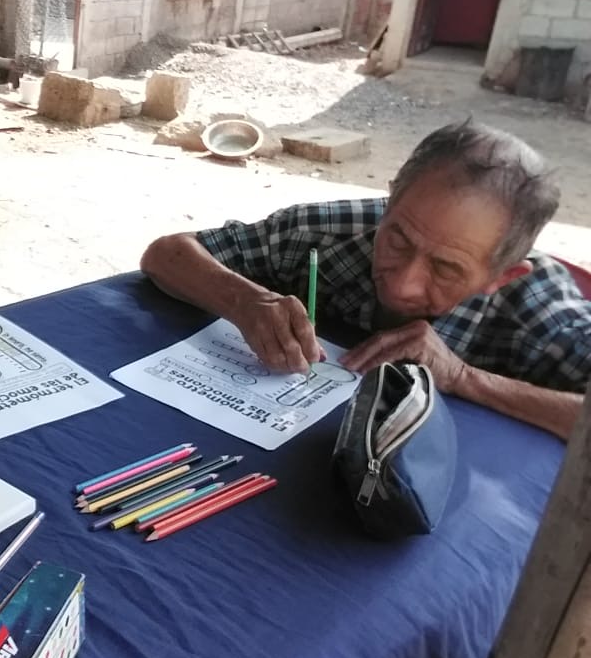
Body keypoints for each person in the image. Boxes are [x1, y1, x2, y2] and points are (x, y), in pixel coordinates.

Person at [141, 120, 590, 440]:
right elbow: (167, 254)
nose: (403, 285)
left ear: (502, 276)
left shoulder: (539, 306)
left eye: (446, 268)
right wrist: (245, 301)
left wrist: (462, 377)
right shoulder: (328, 233)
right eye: (398, 240)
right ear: (390, 199)